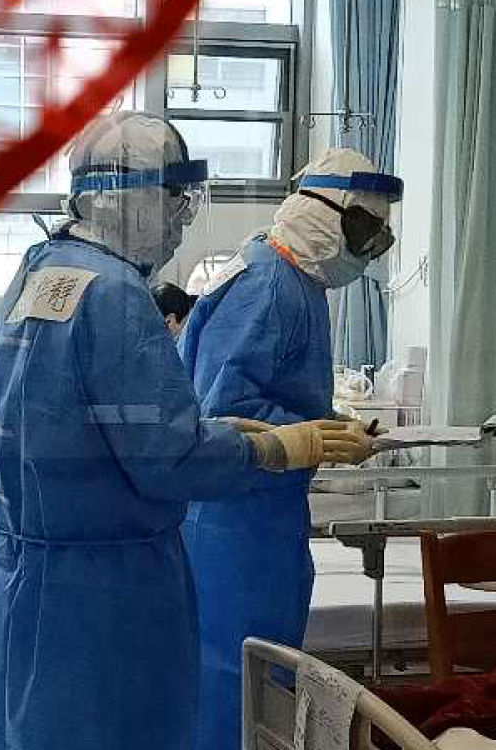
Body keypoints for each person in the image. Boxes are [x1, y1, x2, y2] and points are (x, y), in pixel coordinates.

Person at [0, 114, 374, 750]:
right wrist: (271, 446)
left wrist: (216, 430)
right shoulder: (116, 295)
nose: (181, 219)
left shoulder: (38, 272)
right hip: (104, 585)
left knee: (21, 727)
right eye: (173, 200)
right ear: (127, 200)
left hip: (20, 568)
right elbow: (168, 460)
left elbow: (91, 421)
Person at [177, 147, 404, 750]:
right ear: (320, 213)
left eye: (378, 236)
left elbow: (273, 392)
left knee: (265, 678)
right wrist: (313, 436)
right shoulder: (267, 285)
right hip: (232, 522)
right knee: (233, 678)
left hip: (264, 517)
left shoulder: (292, 281)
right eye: (363, 230)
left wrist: (326, 426)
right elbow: (221, 411)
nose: (368, 249)